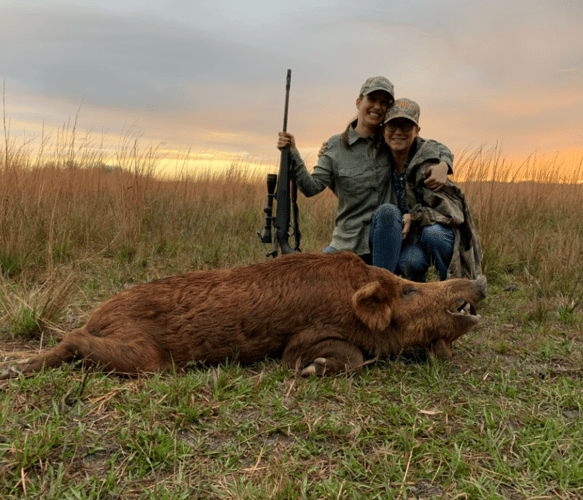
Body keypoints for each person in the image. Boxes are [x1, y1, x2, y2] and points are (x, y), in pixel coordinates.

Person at [276, 76, 454, 265]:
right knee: (314, 276)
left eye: (384, 102)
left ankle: (384, 282)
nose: (378, 106)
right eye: (372, 99)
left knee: (388, 212)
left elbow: (433, 147)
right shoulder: (335, 146)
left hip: (385, 240)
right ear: (359, 102)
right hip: (347, 241)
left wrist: (444, 165)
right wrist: (293, 152)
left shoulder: (391, 139)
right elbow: (310, 188)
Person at [370, 98, 482, 281]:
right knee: (410, 263)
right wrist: (330, 149)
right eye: (392, 126)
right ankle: (404, 293)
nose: (398, 132)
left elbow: (451, 213)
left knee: (434, 234)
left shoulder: (428, 163)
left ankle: (455, 292)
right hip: (400, 236)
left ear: (417, 131)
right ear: (384, 130)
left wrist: (413, 217)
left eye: (406, 126)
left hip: (429, 231)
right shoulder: (378, 156)